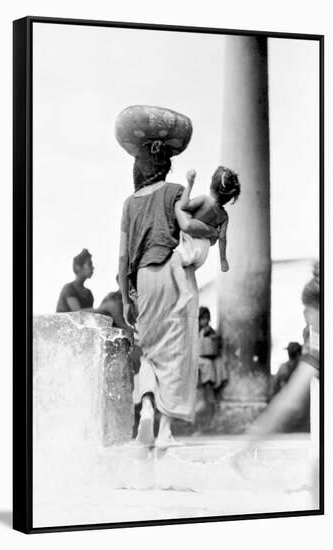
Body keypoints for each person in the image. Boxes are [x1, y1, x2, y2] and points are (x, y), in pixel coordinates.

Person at [118, 133, 219, 449]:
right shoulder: (175, 192)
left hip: (143, 278)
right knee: (176, 349)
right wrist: (213, 232)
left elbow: (122, 257)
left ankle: (146, 407)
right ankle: (164, 432)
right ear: (164, 166)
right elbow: (189, 226)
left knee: (149, 349)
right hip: (172, 271)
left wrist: (125, 298)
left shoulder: (129, 203)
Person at [232, 263, 320, 502]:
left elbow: (289, 400)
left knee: (318, 476)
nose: (305, 315)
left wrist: (250, 442)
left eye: (308, 309)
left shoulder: (319, 345)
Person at [171, 166, 240, 304]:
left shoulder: (204, 200)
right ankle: (187, 293)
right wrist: (223, 260)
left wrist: (190, 184)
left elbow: (184, 205)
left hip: (191, 242)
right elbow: (222, 238)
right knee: (188, 270)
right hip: (203, 250)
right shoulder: (224, 216)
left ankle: (183, 293)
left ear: (211, 185)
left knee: (174, 263)